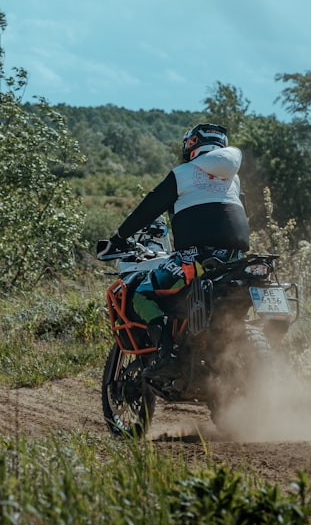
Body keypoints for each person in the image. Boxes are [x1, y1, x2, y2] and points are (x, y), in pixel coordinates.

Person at [97, 122, 250, 380]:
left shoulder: (182, 174)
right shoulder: (233, 179)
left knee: (143, 294)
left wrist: (118, 238)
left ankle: (166, 355)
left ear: (192, 146)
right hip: (235, 261)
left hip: (195, 259)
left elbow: (148, 209)